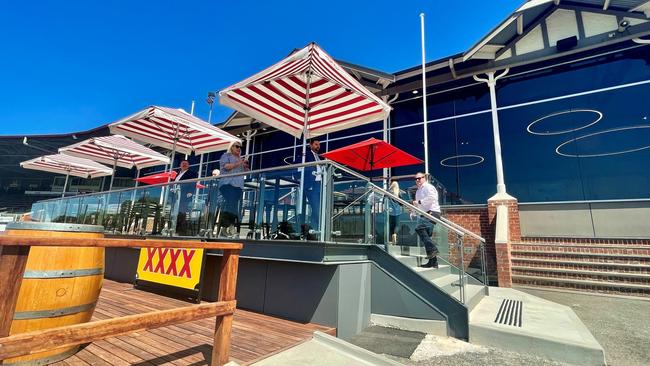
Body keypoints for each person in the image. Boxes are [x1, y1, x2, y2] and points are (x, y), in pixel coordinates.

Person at [219, 142, 249, 237]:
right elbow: (226, 167)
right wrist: (239, 163)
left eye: (240, 147)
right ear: (231, 147)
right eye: (237, 146)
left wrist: (245, 167)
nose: (239, 148)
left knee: (233, 206)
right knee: (231, 204)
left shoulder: (240, 159)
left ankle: (228, 227)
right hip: (227, 184)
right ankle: (226, 228)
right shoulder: (226, 155)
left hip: (238, 186)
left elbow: (246, 172)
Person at [412, 172, 441, 268]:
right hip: (424, 214)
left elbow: (432, 198)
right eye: (416, 179)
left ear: (424, 178)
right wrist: (414, 212)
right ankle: (433, 262)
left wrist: (419, 202)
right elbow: (418, 205)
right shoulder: (418, 191)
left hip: (432, 212)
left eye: (419, 178)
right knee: (427, 237)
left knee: (419, 229)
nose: (417, 180)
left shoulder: (428, 187)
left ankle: (433, 250)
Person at [302, 138, 322, 234]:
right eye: (316, 144)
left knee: (316, 209)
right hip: (312, 186)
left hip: (319, 185)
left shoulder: (318, 156)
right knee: (316, 208)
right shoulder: (306, 154)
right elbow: (300, 166)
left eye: (319, 144)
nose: (318, 146)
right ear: (310, 145)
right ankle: (321, 228)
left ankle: (313, 232)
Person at [174, 160, 198, 236]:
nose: (184, 165)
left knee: (182, 213)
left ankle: (181, 231)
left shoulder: (192, 173)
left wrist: (191, 192)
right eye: (182, 163)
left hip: (184, 195)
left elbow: (194, 182)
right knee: (175, 213)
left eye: (186, 164)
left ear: (188, 165)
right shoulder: (177, 174)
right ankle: (174, 229)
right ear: (180, 165)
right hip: (176, 196)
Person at [388, 178, 402, 244]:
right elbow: (401, 203)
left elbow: (384, 200)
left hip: (390, 211)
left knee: (391, 225)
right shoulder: (399, 192)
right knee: (397, 225)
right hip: (398, 211)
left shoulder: (388, 192)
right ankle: (395, 235)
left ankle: (391, 239)